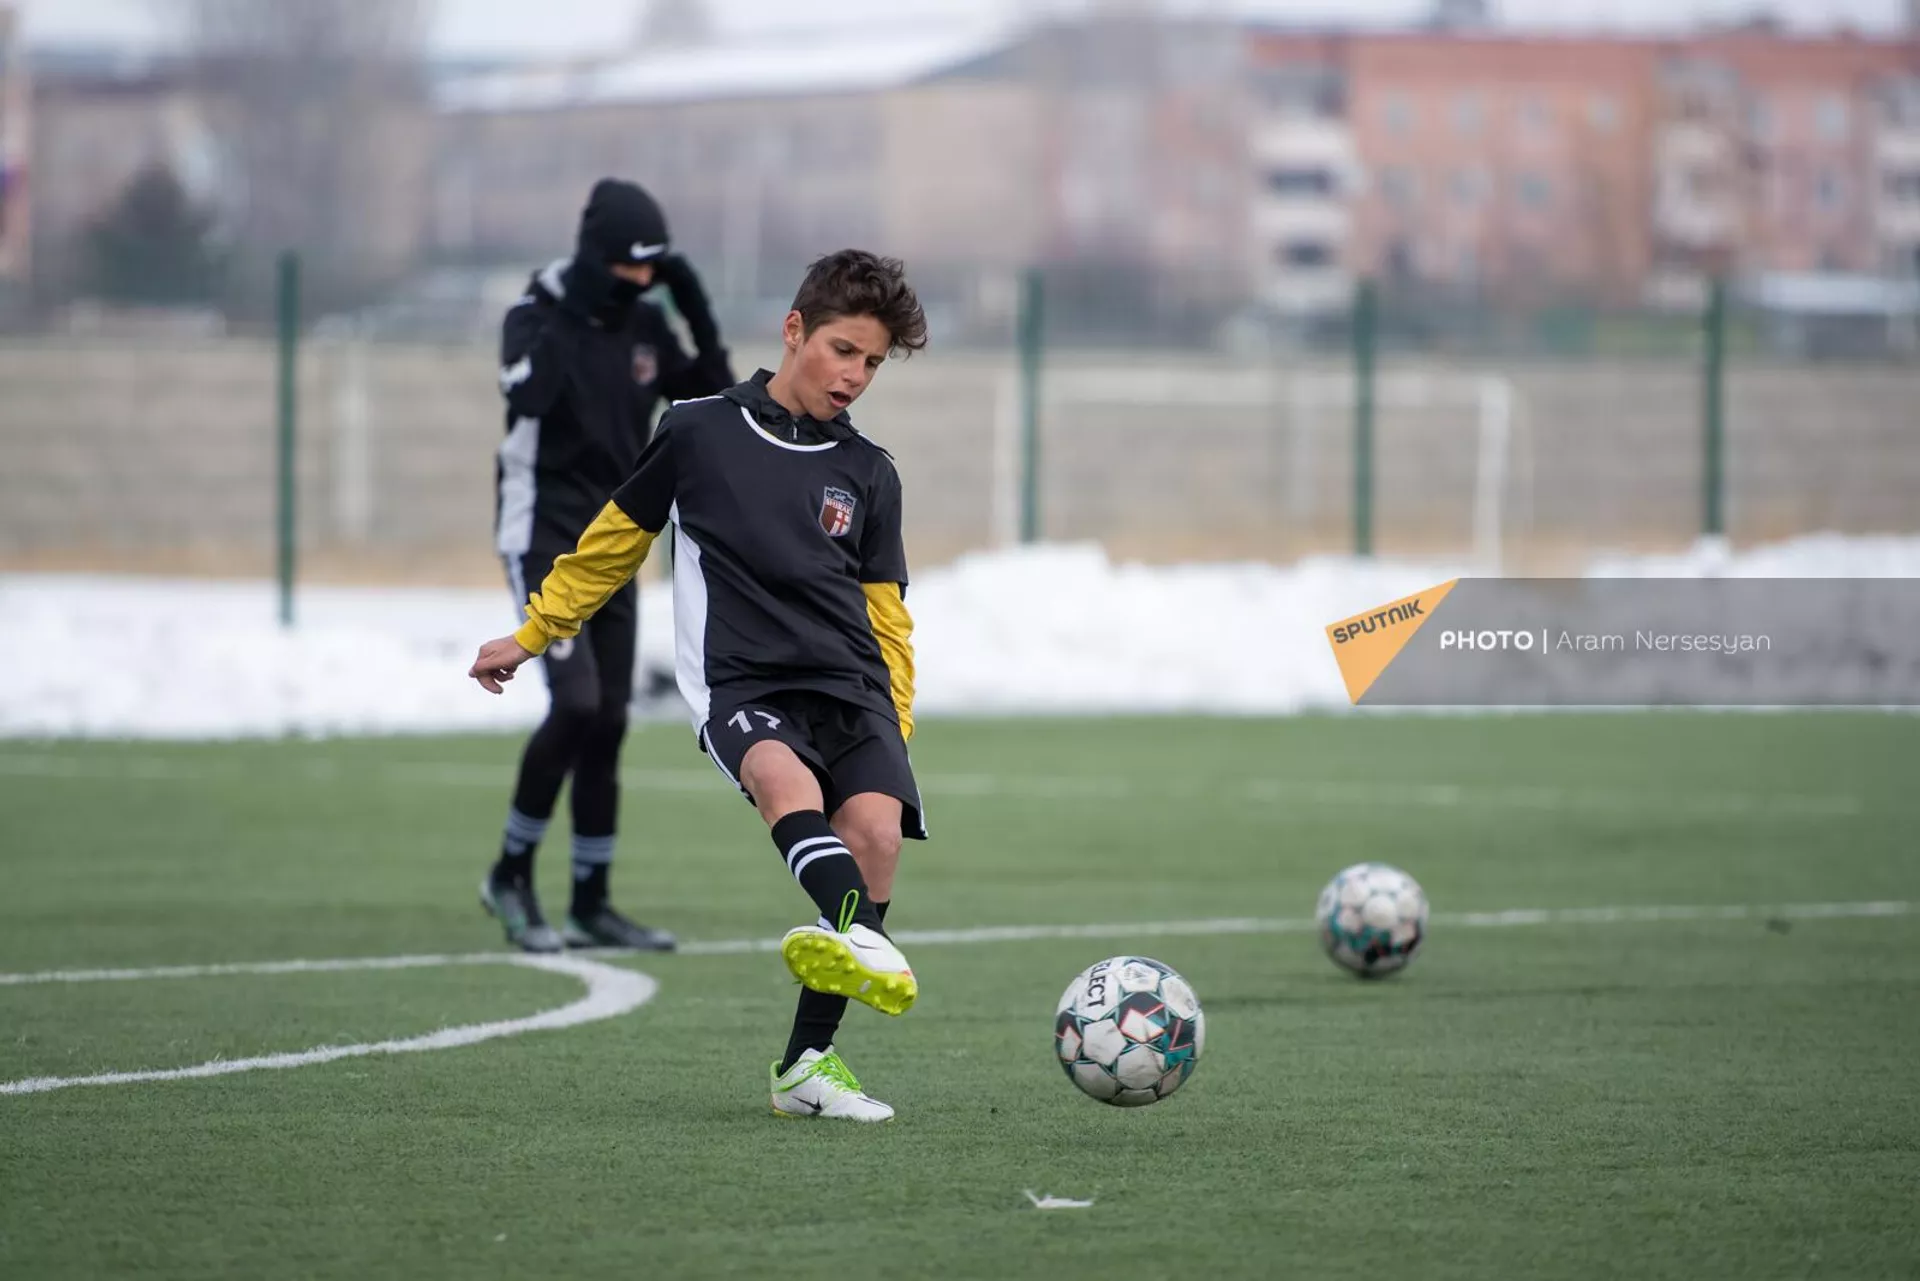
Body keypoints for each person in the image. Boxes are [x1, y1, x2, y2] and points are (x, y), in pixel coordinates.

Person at [470, 249, 929, 1122]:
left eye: (871, 363)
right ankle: (860, 932)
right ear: (793, 331)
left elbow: (888, 615)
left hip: (853, 686)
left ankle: (805, 1067)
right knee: (781, 783)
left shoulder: (872, 472)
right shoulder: (697, 430)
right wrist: (534, 632)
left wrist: (893, 724)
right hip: (743, 681)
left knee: (875, 832)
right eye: (842, 350)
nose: (856, 376)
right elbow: (611, 542)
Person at [484, 177, 736, 954]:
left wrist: (691, 307)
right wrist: (574, 309)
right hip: (542, 528)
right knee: (576, 703)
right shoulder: (535, 313)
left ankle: (592, 900)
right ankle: (511, 875)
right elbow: (528, 396)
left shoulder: (646, 323)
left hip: (613, 538)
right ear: (597, 259)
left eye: (650, 271)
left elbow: (716, 396)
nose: (637, 285)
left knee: (612, 719)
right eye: (627, 269)